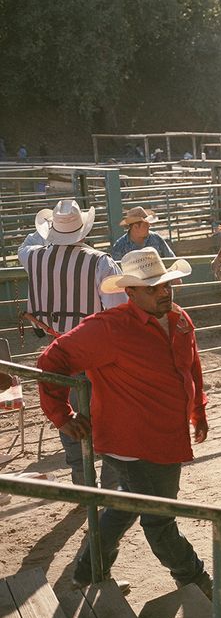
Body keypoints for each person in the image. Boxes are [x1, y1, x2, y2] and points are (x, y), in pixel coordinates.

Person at [36, 248, 217, 598]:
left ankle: (88, 573)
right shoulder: (109, 328)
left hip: (163, 437)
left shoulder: (179, 320)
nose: (164, 292)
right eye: (152, 288)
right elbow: (52, 359)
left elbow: (191, 366)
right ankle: (197, 581)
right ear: (130, 292)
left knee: (124, 506)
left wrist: (198, 409)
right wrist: (62, 415)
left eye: (165, 284)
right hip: (135, 443)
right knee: (160, 517)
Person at [18, 199, 127, 486]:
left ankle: (83, 483)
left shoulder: (33, 257)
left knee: (69, 418)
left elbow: (26, 245)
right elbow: (118, 311)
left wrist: (47, 231)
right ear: (83, 230)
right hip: (95, 354)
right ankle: (110, 489)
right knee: (109, 417)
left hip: (58, 351)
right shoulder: (101, 262)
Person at [111, 206, 175, 261]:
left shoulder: (156, 238)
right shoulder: (120, 246)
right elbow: (117, 269)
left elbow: (172, 259)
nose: (149, 226)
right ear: (135, 227)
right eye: (145, 225)